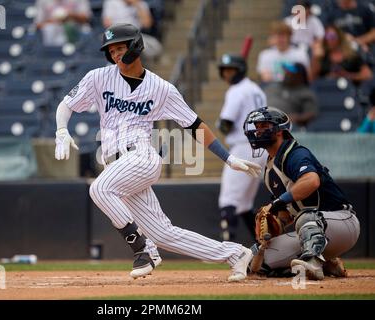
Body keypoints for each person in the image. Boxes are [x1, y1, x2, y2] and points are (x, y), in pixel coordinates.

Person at [54, 23, 263, 281]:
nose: (116, 54)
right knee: (164, 233)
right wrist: (61, 130)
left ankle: (142, 250)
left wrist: (228, 158)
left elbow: (195, 125)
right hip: (116, 165)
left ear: (135, 46)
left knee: (99, 189)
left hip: (141, 155)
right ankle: (234, 253)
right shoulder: (98, 77)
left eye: (120, 47)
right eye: (111, 50)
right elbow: (66, 104)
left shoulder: (162, 88)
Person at [243, 106, 360, 280]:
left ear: (279, 131)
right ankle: (328, 263)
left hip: (342, 222)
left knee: (307, 217)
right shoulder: (270, 170)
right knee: (255, 261)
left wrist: (276, 203)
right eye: (257, 127)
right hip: (312, 230)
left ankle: (313, 262)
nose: (258, 132)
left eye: (264, 126)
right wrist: (273, 226)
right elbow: (287, 214)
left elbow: (311, 181)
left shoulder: (295, 153)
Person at [215, 54, 267, 241]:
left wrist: (219, 123)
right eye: (225, 71)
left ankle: (227, 247)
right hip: (260, 149)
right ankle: (263, 249)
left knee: (228, 200)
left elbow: (226, 124)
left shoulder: (236, 90)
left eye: (231, 70)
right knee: (244, 204)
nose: (228, 74)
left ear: (240, 70)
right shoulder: (256, 89)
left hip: (243, 147)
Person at [264, 62, 318, 128]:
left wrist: (295, 118)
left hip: (284, 128)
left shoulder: (305, 93)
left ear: (299, 75)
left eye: (290, 71)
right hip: (261, 121)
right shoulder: (272, 86)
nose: (287, 73)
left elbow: (311, 114)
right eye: (286, 71)